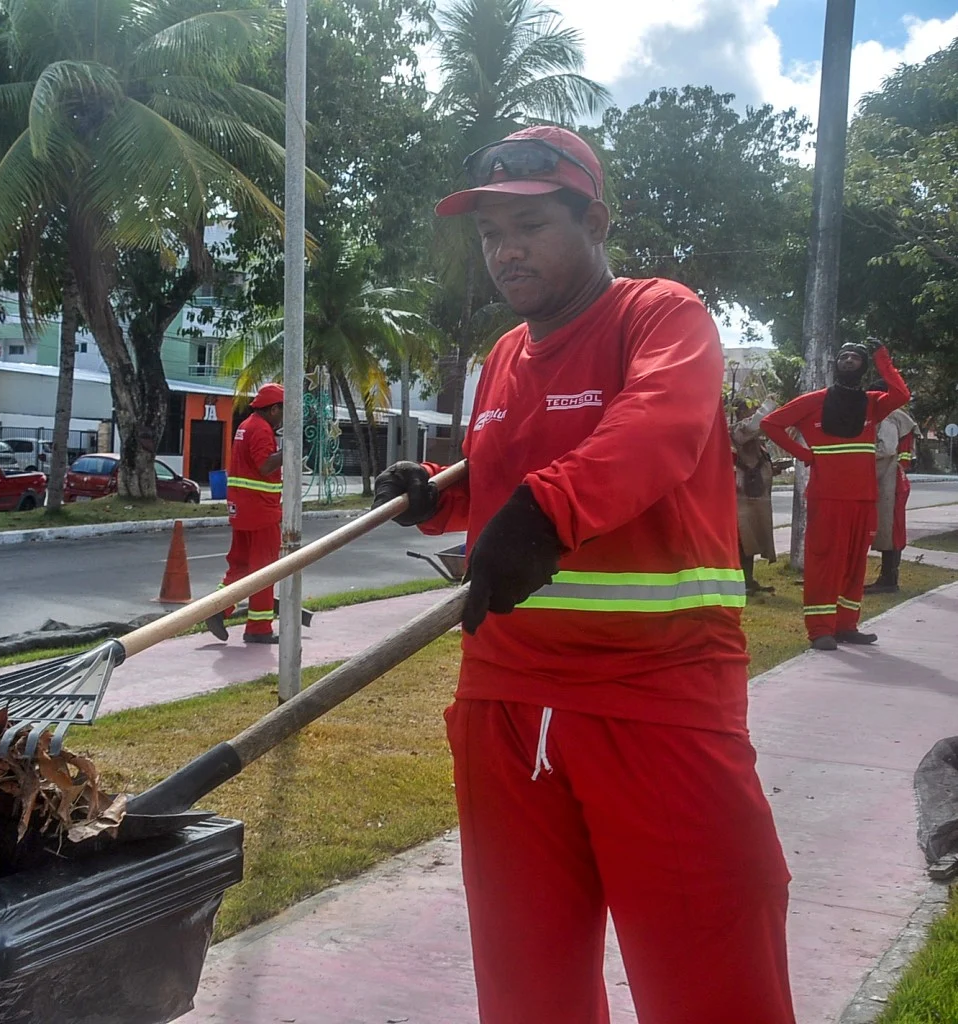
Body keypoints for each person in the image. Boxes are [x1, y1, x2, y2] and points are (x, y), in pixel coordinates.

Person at [374, 124, 794, 1024]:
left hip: (656, 698)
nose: (504, 250)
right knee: (529, 988)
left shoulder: (661, 314)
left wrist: (548, 511)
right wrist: (441, 499)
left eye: (528, 225)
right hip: (506, 699)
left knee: (713, 983)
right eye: (489, 232)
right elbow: (506, 473)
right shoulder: (502, 356)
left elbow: (655, 431)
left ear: (595, 219)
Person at [760, 341, 909, 649]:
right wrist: (804, 453)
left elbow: (902, 395)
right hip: (826, 497)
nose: (849, 360)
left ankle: (846, 626)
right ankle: (820, 630)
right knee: (825, 562)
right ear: (835, 364)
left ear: (863, 366)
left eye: (855, 356)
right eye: (843, 356)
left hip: (864, 498)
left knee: (855, 563)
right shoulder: (814, 401)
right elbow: (770, 423)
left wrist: (883, 358)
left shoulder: (872, 403)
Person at [209, 383, 284, 644]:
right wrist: (290, 452)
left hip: (242, 508)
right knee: (265, 570)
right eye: (284, 411)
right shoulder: (262, 430)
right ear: (274, 409)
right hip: (261, 510)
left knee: (240, 566)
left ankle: (218, 608)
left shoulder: (246, 426)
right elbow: (265, 466)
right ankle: (259, 628)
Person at [867, 406, 918, 594]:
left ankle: (889, 579)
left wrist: (859, 453)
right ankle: (888, 577)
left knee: (890, 529)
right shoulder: (899, 416)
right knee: (891, 528)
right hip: (895, 479)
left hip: (892, 481)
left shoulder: (888, 417)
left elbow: (886, 448)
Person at [732, 397, 779, 595]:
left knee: (754, 537)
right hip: (742, 496)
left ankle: (749, 579)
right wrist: (769, 405)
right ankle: (740, 581)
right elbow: (751, 427)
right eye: (750, 410)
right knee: (743, 538)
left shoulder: (758, 440)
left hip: (757, 497)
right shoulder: (736, 430)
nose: (754, 413)